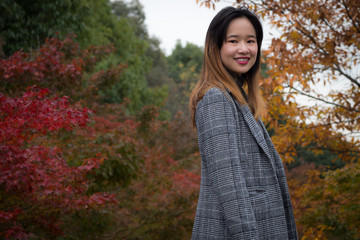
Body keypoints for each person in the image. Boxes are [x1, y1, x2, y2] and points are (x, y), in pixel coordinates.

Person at [189, 6, 298, 240]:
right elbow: (230, 189)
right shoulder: (216, 99)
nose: (244, 49)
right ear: (215, 47)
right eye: (233, 41)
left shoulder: (239, 99)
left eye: (251, 41)